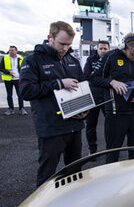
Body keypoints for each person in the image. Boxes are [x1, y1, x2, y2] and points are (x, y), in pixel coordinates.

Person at [19, 21, 87, 187]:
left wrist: (86, 110)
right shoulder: (32, 60)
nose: (65, 48)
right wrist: (58, 83)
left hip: (74, 125)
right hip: (51, 127)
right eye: (62, 44)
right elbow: (27, 91)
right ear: (50, 37)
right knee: (47, 175)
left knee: (74, 171)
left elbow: (83, 86)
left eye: (69, 45)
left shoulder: (72, 59)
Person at [91, 33, 134, 163]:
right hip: (116, 113)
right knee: (113, 153)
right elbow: (94, 78)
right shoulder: (110, 57)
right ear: (123, 47)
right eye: (132, 53)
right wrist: (111, 82)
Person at [83, 40, 110, 155]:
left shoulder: (111, 59)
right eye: (101, 48)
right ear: (97, 49)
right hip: (92, 97)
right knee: (90, 125)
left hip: (107, 96)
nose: (103, 51)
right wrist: (103, 79)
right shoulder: (90, 59)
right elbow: (87, 76)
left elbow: (112, 77)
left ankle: (111, 149)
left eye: (105, 49)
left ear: (109, 49)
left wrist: (97, 77)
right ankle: (92, 150)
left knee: (110, 124)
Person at [0, 46, 27, 115]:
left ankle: (22, 109)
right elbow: (1, 68)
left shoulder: (21, 58)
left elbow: (24, 68)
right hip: (8, 79)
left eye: (12, 50)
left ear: (16, 51)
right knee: (9, 95)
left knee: (20, 94)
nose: (11, 52)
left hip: (18, 79)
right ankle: (10, 109)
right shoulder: (5, 58)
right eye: (10, 50)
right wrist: (9, 73)